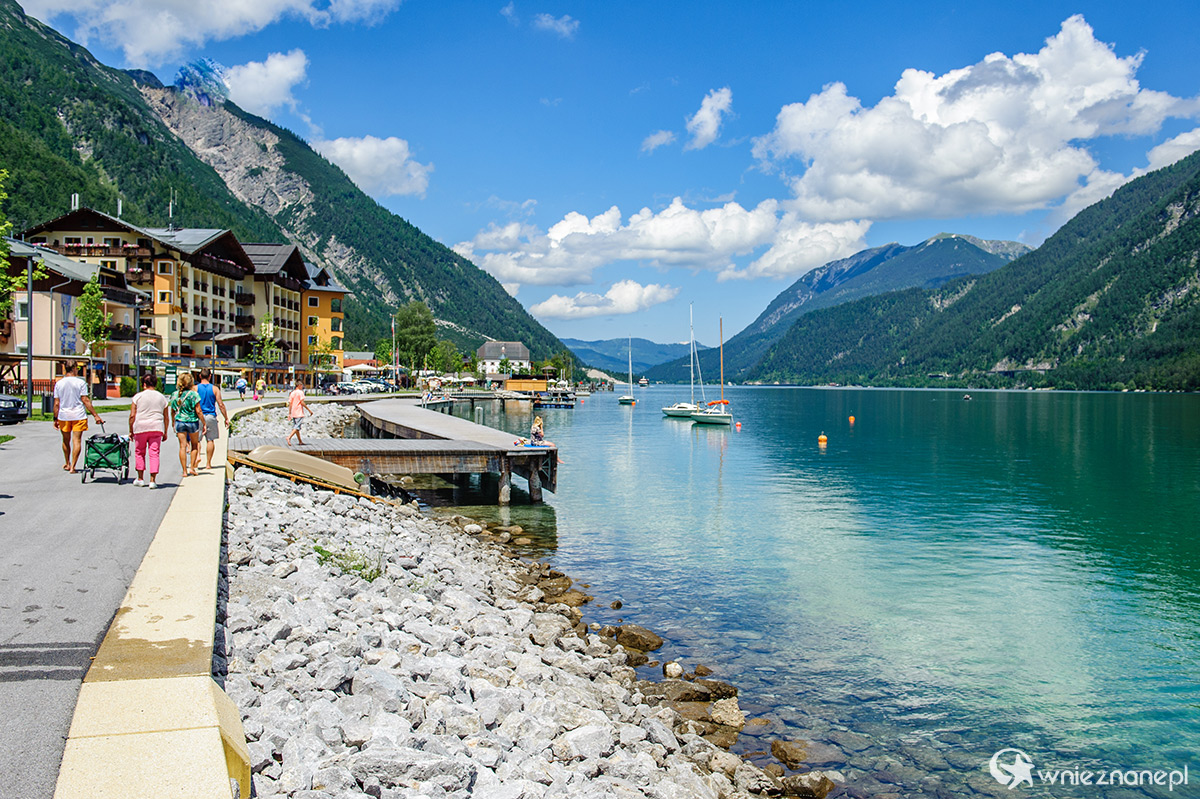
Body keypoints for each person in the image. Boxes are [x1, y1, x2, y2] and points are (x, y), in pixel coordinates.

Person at [53, 361, 103, 473]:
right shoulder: (81, 383)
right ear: (74, 368)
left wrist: (55, 418)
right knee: (77, 440)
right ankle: (73, 467)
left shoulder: (59, 384)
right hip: (78, 415)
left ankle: (67, 463)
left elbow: (56, 403)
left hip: (64, 416)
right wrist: (95, 415)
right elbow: (85, 400)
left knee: (65, 440)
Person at [128, 373, 169, 488]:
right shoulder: (162, 397)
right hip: (156, 427)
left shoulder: (138, 397)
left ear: (144, 384)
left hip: (140, 427)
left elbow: (132, 415)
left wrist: (131, 430)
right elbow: (166, 417)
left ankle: (140, 478)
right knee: (154, 453)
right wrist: (165, 431)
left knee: (139, 452)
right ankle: (152, 480)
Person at [168, 372, 206, 477]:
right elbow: (198, 411)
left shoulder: (174, 395)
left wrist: (173, 421)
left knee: (182, 446)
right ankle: (192, 468)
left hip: (180, 421)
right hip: (192, 421)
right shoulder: (194, 395)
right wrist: (204, 423)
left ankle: (184, 471)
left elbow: (173, 410)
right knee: (194, 445)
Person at [196, 368, 230, 470]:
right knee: (210, 440)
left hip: (198, 416)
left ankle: (198, 456)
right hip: (211, 416)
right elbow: (221, 405)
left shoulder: (195, 388)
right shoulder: (215, 389)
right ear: (210, 376)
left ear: (200, 376)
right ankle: (208, 463)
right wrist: (226, 418)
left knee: (197, 440)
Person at [285, 382, 313, 446]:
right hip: (299, 412)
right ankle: (289, 437)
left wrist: (289, 413)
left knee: (296, 427)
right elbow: (302, 402)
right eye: (302, 385)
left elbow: (290, 404)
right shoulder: (300, 392)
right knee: (297, 427)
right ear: (299, 385)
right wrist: (309, 410)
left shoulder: (292, 393)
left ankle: (300, 441)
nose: (302, 387)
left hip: (294, 412)